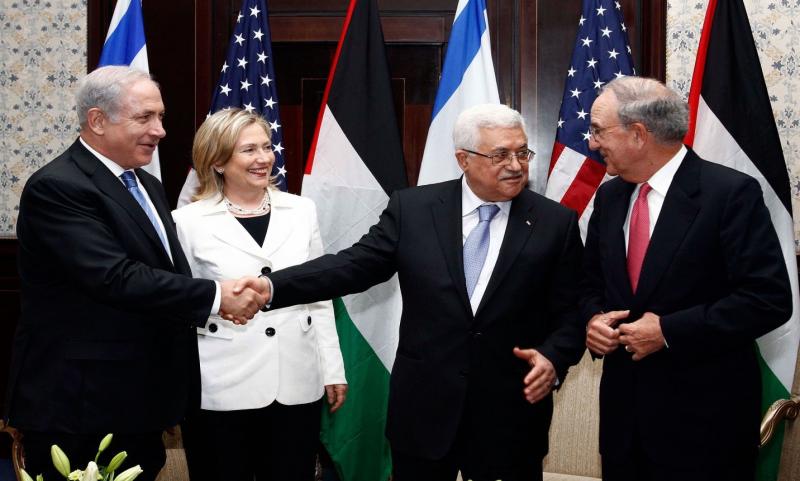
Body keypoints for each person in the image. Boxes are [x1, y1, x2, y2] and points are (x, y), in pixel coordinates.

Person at [238, 104, 587, 481]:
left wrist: (554, 358)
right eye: (500, 154)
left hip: (511, 415)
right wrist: (273, 286)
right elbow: (353, 265)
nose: (516, 165)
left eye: (522, 152)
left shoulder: (556, 222)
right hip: (424, 413)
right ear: (463, 159)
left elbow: (574, 310)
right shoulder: (415, 209)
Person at [4, 66, 267, 481]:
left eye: (160, 116)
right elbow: (115, 277)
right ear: (97, 120)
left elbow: (164, 271)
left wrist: (216, 299)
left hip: (140, 400)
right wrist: (217, 298)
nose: (160, 130)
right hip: (79, 407)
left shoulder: (146, 184)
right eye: (144, 117)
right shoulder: (58, 186)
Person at [580, 77, 792, 481]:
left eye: (597, 130)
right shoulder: (609, 198)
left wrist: (669, 331)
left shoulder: (728, 194)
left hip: (704, 428)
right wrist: (593, 320)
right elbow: (588, 284)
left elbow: (768, 299)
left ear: (638, 134)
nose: (591, 143)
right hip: (625, 427)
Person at [172, 109, 347, 481]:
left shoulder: (302, 210)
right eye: (248, 149)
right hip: (221, 383)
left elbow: (319, 294)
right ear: (218, 160)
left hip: (297, 381)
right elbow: (180, 302)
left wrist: (332, 368)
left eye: (267, 147)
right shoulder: (186, 221)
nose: (264, 158)